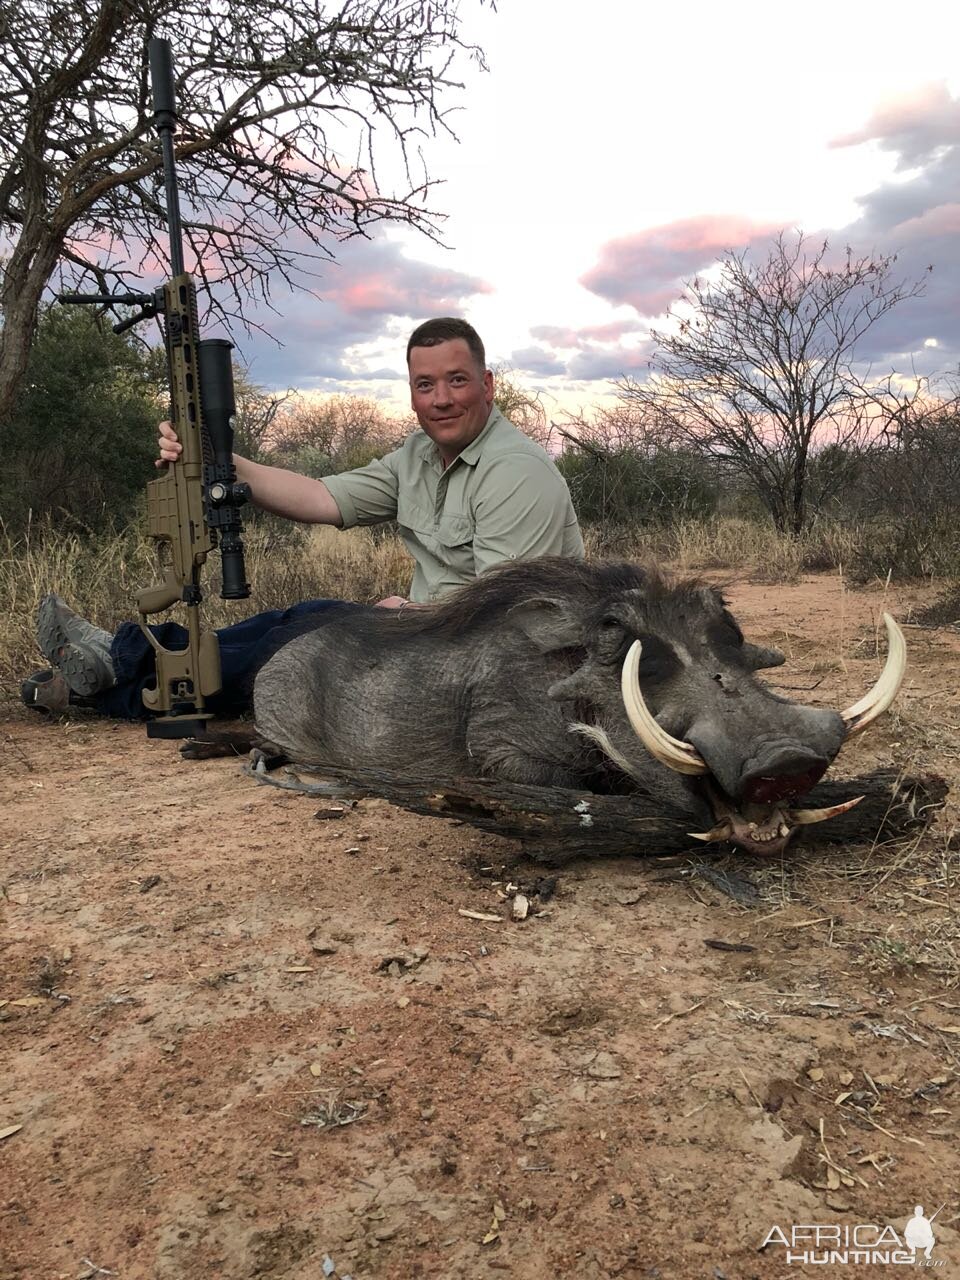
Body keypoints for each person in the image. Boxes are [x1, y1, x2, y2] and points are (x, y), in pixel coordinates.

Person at [23, 317, 584, 720]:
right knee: (299, 617)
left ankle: (110, 673)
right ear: (412, 392)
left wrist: (413, 614)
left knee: (306, 641)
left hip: (495, 662)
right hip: (434, 635)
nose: (441, 398)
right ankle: (119, 669)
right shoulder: (418, 456)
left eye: (457, 380)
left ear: (487, 385)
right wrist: (214, 459)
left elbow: (502, 616)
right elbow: (319, 497)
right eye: (425, 384)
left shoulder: (516, 472)